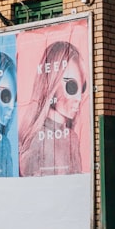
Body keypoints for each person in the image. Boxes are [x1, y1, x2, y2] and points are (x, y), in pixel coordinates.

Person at [19, 41, 86, 176]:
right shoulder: (35, 140)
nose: (79, 98)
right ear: (52, 84)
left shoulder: (72, 139)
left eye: (82, 88)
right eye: (72, 87)